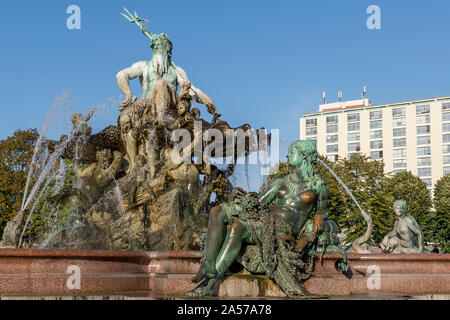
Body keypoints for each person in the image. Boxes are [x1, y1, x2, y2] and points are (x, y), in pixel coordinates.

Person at [186, 140, 329, 296]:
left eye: (291, 152)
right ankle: (208, 263)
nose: (288, 155)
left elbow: (322, 209)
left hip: (283, 228)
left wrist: (320, 217)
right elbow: (259, 203)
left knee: (236, 228)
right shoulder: (280, 181)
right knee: (217, 210)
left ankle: (209, 284)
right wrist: (246, 198)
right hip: (265, 218)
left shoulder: (319, 184)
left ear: (303, 156)